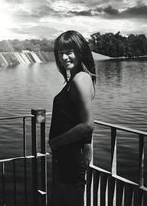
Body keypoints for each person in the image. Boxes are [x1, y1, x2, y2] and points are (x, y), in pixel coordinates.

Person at [48, 30, 96, 206]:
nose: (64, 58)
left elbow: (87, 124)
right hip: (67, 156)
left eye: (69, 52)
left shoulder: (80, 79)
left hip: (71, 157)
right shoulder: (76, 78)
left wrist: (56, 142)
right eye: (60, 53)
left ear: (80, 51)